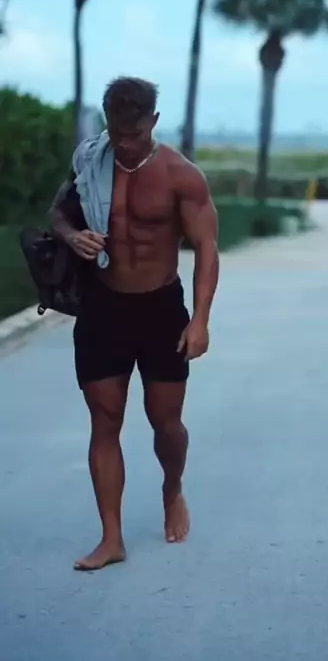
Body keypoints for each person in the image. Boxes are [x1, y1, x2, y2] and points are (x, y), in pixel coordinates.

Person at [49, 77, 219, 571]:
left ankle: (172, 488)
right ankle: (111, 538)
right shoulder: (91, 162)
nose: (124, 144)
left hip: (161, 308)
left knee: (165, 421)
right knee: (105, 420)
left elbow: (206, 249)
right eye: (117, 133)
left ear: (154, 122)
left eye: (135, 134)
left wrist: (200, 321)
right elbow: (57, 215)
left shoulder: (181, 176)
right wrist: (73, 236)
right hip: (104, 305)